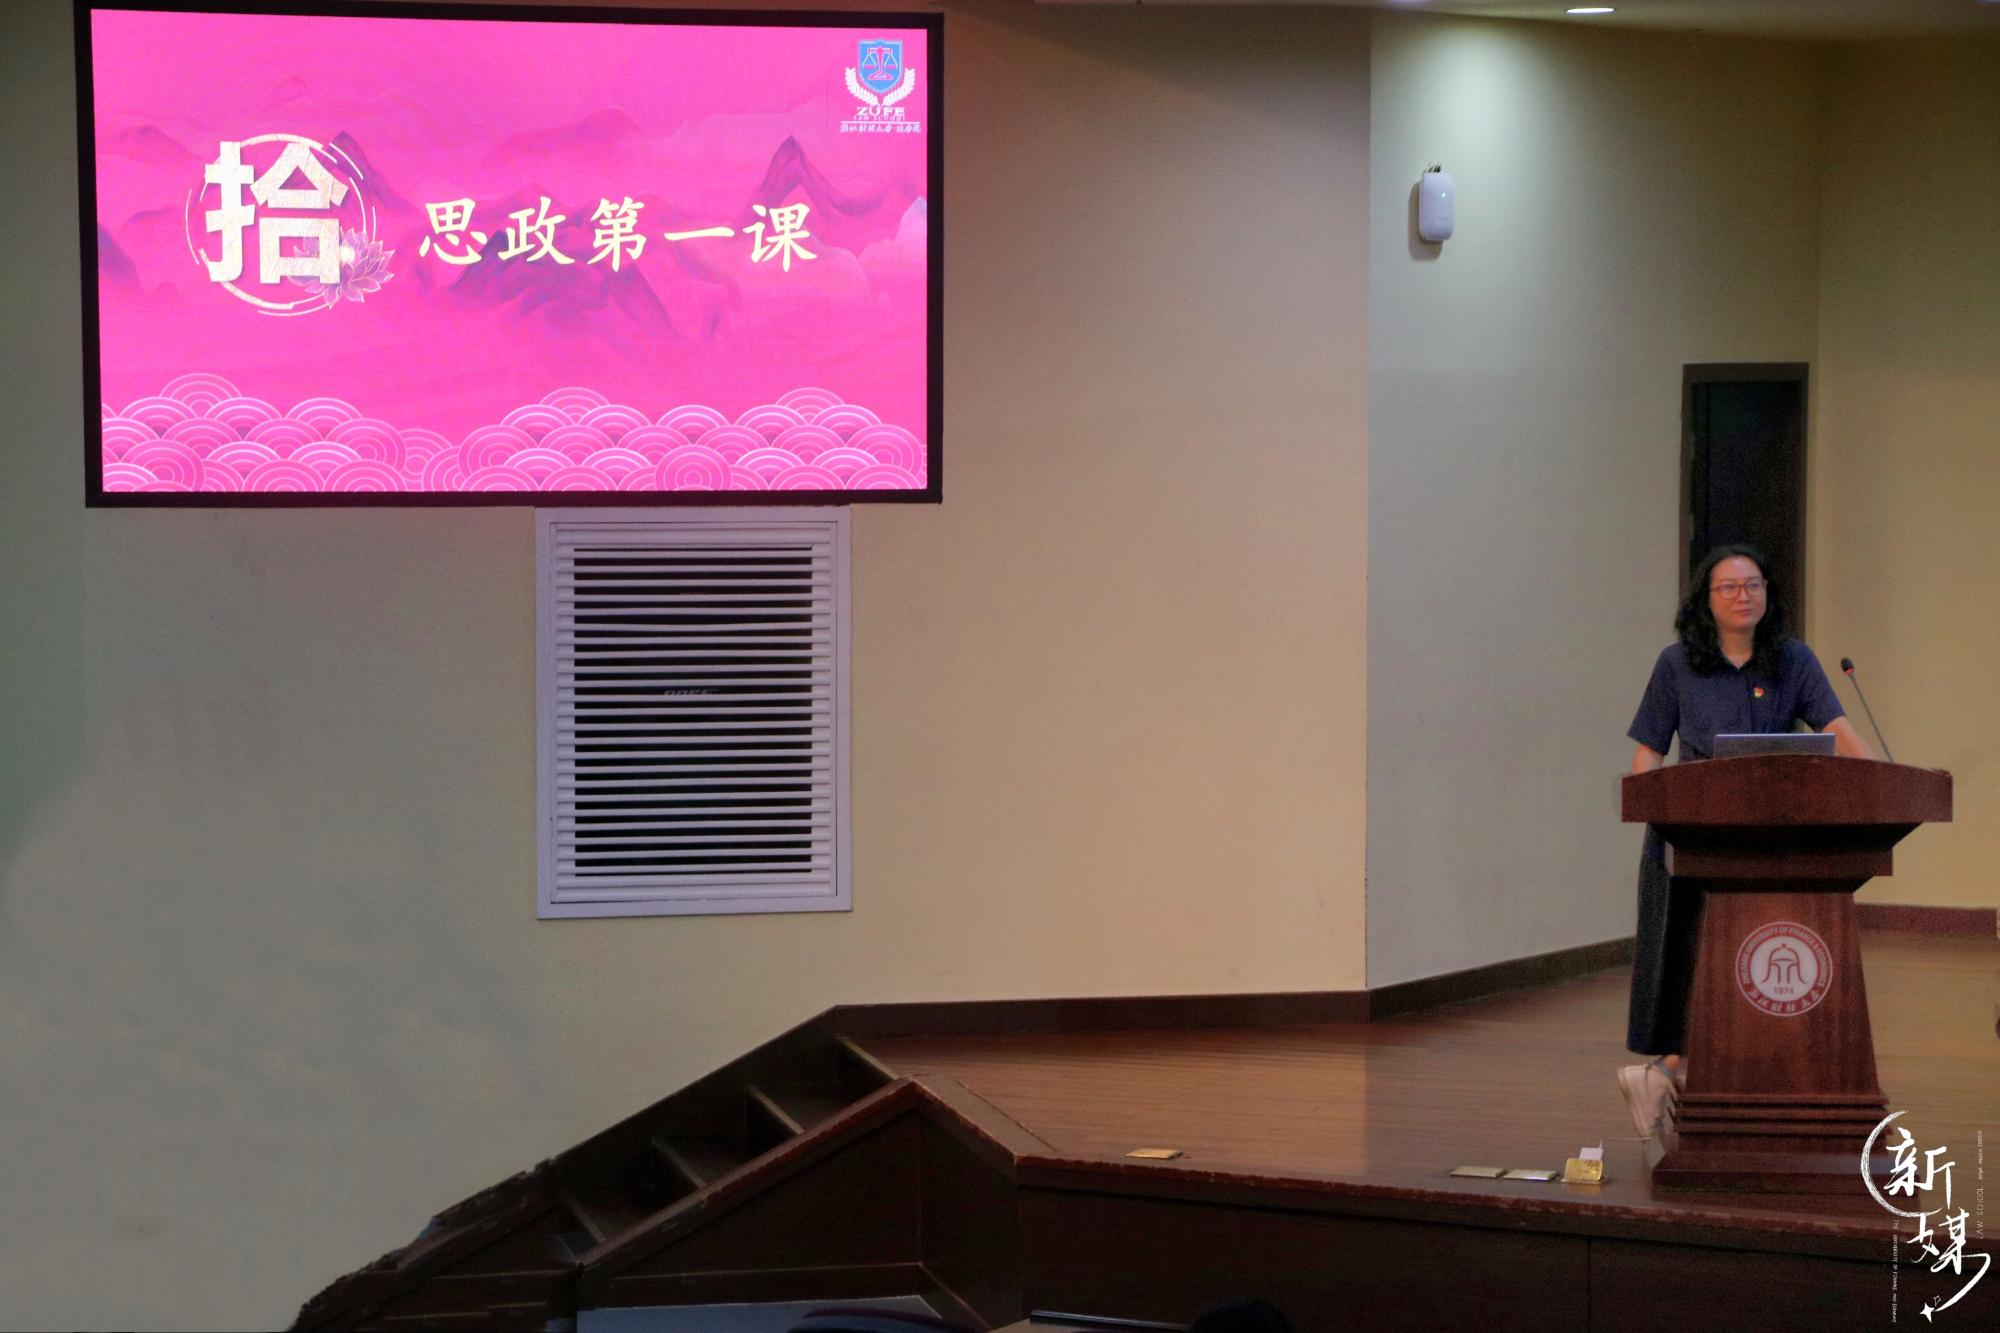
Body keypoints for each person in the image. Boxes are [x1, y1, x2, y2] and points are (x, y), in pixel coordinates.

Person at [1617, 545, 1876, 1138]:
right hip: (1693, 836)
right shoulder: (1677, 664)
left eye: (1753, 584)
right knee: (1692, 956)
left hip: (1773, 839)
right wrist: (1653, 807)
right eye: (1728, 587)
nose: (1743, 596)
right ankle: (1676, 1069)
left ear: (1767, 594)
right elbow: (1649, 749)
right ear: (1706, 600)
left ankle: (1679, 1076)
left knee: (1747, 954)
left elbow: (1837, 729)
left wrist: (1883, 780)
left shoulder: (1793, 660)